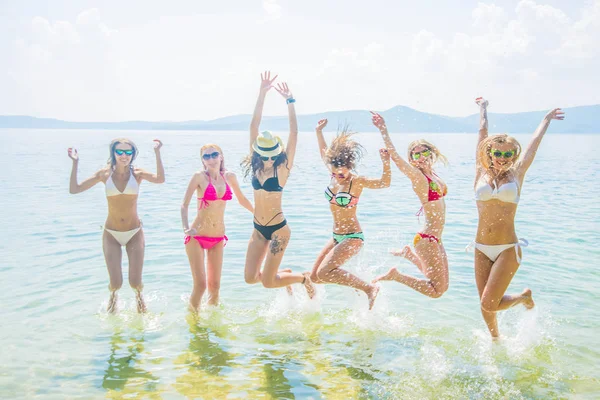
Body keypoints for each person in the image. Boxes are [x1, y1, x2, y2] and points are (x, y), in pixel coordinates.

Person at [469, 97, 564, 338]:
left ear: (513, 155)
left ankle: (523, 298)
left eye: (509, 154)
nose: (503, 157)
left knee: (490, 303)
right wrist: (483, 108)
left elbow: (533, 145)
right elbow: (482, 132)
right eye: (498, 153)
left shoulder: (516, 174)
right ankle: (496, 340)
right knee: (485, 304)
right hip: (481, 247)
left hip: (507, 248)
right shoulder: (480, 171)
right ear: (490, 153)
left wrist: (546, 119)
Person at [68, 138, 165, 313]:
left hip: (134, 233)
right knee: (116, 283)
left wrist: (157, 153)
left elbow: (160, 179)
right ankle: (113, 301)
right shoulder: (104, 175)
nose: (123, 156)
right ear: (113, 153)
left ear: (133, 155)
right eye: (119, 152)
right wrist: (76, 163)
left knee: (135, 282)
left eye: (128, 152)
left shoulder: (137, 174)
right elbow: (74, 189)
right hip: (111, 234)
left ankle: (139, 300)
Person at [242, 71, 315, 297]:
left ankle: (304, 278)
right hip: (258, 229)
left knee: (268, 283)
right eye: (265, 155)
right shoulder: (255, 166)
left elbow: (294, 132)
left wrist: (290, 102)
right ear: (257, 153)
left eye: (273, 154)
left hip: (278, 231)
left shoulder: (282, 169)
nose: (270, 159)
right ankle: (285, 275)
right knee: (250, 278)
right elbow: (253, 126)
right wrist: (262, 93)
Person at [310, 118, 391, 309]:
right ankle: (356, 283)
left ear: (350, 167)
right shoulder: (333, 173)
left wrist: (386, 162)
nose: (339, 175)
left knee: (324, 273)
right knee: (315, 277)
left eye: (343, 173)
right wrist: (318, 132)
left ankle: (368, 288)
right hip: (336, 236)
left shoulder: (358, 182)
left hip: (352, 236)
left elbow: (384, 183)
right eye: (335, 172)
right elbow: (324, 153)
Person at [371, 112, 449, 298]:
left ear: (432, 153)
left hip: (437, 238)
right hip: (426, 239)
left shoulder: (433, 175)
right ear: (412, 159)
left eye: (424, 152)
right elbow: (396, 158)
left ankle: (409, 255)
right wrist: (383, 129)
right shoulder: (418, 177)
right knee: (436, 291)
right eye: (416, 154)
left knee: (443, 287)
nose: (421, 157)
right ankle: (397, 276)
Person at [181, 144, 254, 312]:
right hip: (197, 236)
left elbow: (242, 200)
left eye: (214, 155)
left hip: (218, 237)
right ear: (202, 160)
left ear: (221, 156)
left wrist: (258, 214)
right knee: (200, 286)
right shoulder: (199, 177)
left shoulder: (229, 177)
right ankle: (194, 322)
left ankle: (213, 325)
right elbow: (184, 205)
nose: (211, 159)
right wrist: (186, 228)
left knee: (215, 286)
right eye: (206, 156)